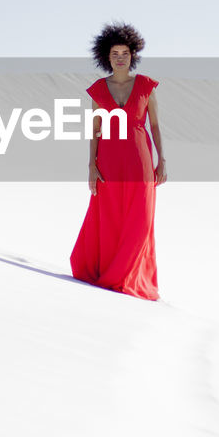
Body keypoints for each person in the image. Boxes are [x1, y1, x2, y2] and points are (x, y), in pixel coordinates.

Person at [69, 21, 166, 300]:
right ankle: (110, 271)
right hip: (109, 159)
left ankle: (130, 276)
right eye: (115, 53)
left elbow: (156, 126)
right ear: (106, 57)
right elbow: (95, 129)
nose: (120, 58)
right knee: (110, 216)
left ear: (133, 54)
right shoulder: (99, 90)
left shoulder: (146, 86)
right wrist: (91, 164)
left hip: (140, 159)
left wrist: (163, 160)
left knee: (140, 219)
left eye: (125, 52)